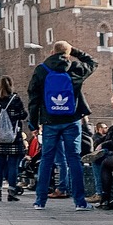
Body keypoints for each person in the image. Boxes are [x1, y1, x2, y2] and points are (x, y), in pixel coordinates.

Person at [28, 41, 97, 212]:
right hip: (71, 120)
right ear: (68, 52)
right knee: (74, 159)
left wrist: (34, 123)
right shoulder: (75, 67)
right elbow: (92, 62)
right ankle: (80, 202)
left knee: (47, 159)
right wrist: (74, 51)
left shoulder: (42, 69)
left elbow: (33, 97)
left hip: (50, 121)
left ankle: (40, 201)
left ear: (52, 51)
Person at [0, 77, 28, 202]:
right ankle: (11, 193)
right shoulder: (15, 99)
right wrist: (13, 116)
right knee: (13, 165)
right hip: (13, 136)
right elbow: (23, 114)